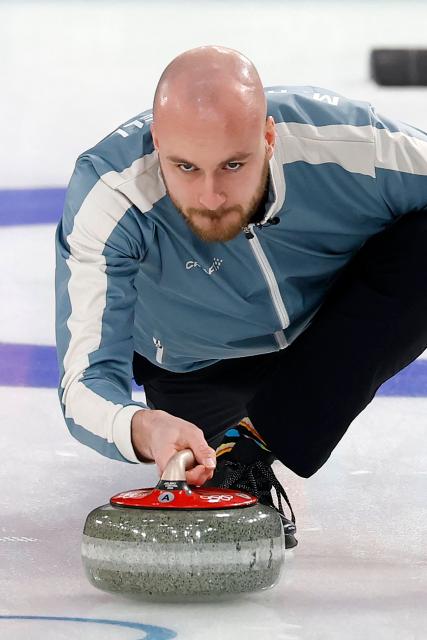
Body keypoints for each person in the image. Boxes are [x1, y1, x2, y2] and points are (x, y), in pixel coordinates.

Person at [55, 45, 427, 549]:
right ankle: (235, 447)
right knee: (212, 473)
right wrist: (142, 426)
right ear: (156, 142)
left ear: (269, 138)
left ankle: (256, 442)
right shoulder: (111, 195)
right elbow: (84, 384)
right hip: (193, 370)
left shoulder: (348, 144)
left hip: (330, 336)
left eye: (233, 164)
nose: (210, 197)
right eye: (185, 167)